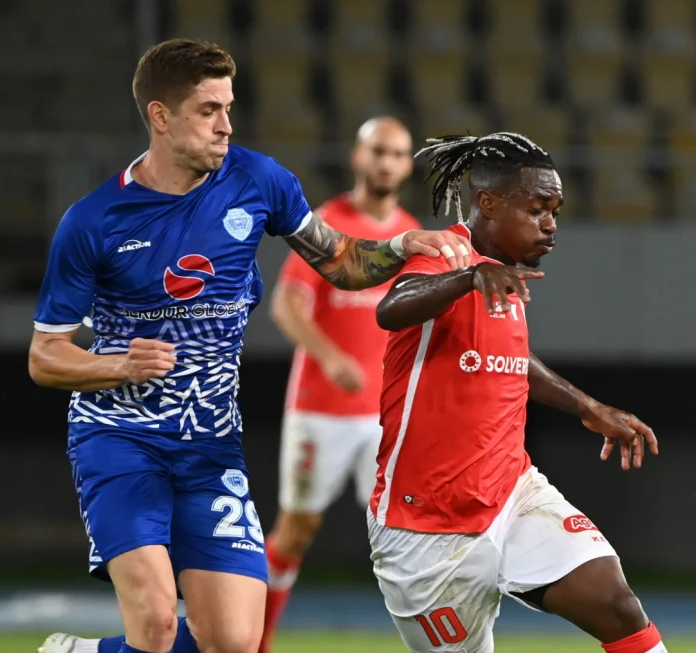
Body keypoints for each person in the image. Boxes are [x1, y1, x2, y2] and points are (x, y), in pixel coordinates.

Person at [31, 39, 469, 653]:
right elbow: (45, 355)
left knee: (235, 641)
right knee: (155, 625)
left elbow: (341, 261)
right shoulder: (94, 221)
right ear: (161, 116)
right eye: (208, 110)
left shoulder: (260, 181)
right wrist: (116, 364)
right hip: (120, 440)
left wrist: (401, 248)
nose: (226, 125)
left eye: (229, 107)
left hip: (211, 446)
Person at [366, 132, 666, 653]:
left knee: (616, 604)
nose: (551, 223)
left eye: (555, 210)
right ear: (489, 202)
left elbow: (509, 362)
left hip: (511, 492)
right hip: (427, 525)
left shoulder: (504, 273)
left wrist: (588, 407)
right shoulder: (449, 256)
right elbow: (392, 307)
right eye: (537, 208)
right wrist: (469, 277)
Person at [259, 115, 420, 651]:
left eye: (397, 153)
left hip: (384, 418)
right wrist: (329, 357)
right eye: (378, 151)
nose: (386, 162)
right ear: (357, 157)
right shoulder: (327, 224)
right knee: (295, 532)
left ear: (407, 165)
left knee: (407, 539)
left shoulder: (410, 237)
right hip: (321, 410)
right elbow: (285, 304)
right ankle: (251, 641)